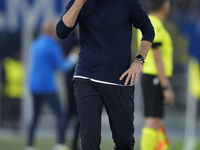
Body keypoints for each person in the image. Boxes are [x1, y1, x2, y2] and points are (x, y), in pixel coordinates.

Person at [56, 0, 155, 149]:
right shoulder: (80, 2)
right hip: (86, 77)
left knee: (125, 142)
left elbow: (148, 30)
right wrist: (79, 3)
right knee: (89, 140)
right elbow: (61, 32)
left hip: (119, 79)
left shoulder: (128, 2)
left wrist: (139, 61)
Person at [25, 20, 78, 150]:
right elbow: (62, 67)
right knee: (61, 115)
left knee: (35, 117)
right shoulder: (52, 45)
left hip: (33, 85)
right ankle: (60, 144)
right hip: (47, 86)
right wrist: (73, 57)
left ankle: (29, 145)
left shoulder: (35, 43)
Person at [137, 0, 174, 150]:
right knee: (152, 120)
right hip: (154, 77)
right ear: (165, 6)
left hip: (154, 77)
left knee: (156, 120)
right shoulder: (154, 24)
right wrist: (166, 86)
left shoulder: (153, 22)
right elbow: (157, 58)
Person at [60, 26, 81, 150]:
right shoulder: (69, 39)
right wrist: (74, 55)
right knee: (72, 113)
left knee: (77, 114)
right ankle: (63, 142)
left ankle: (70, 143)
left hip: (78, 80)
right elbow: (63, 62)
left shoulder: (80, 37)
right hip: (71, 81)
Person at [0, 51, 24, 131]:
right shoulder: (9, 63)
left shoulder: (23, 65)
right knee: (7, 110)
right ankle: (4, 124)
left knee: (16, 112)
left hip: (20, 93)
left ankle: (15, 126)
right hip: (9, 92)